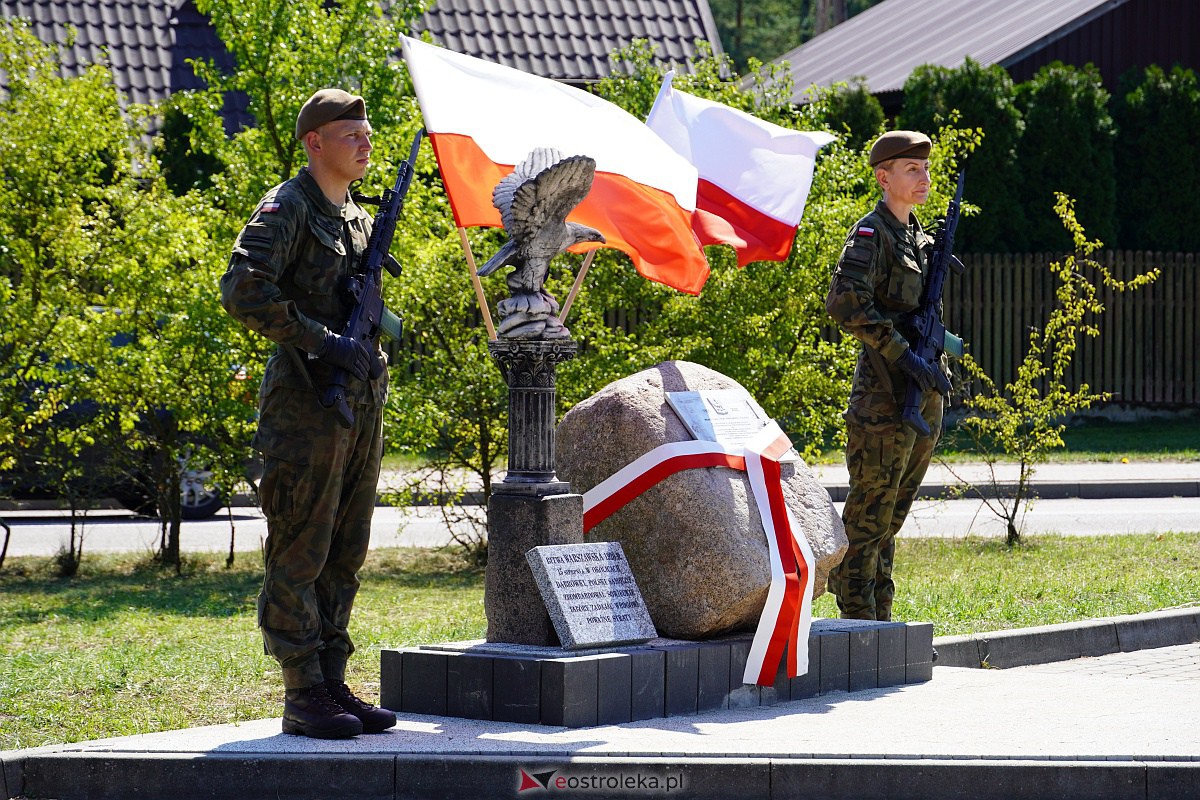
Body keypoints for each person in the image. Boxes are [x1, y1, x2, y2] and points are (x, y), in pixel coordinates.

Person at [220, 88, 397, 738]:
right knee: (301, 545)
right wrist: (325, 343)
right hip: (304, 402)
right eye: (352, 133)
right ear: (314, 142)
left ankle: (331, 680)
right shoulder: (288, 207)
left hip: (357, 401)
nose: (365, 143)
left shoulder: (354, 214)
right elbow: (241, 290)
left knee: (346, 547)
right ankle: (301, 692)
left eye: (367, 132)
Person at [824, 130, 953, 622]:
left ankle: (882, 617)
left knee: (893, 515)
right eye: (912, 170)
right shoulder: (872, 235)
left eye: (925, 169)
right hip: (883, 397)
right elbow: (845, 304)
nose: (924, 178)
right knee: (869, 515)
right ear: (884, 177)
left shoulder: (917, 237)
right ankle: (858, 620)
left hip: (920, 396)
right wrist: (903, 354)